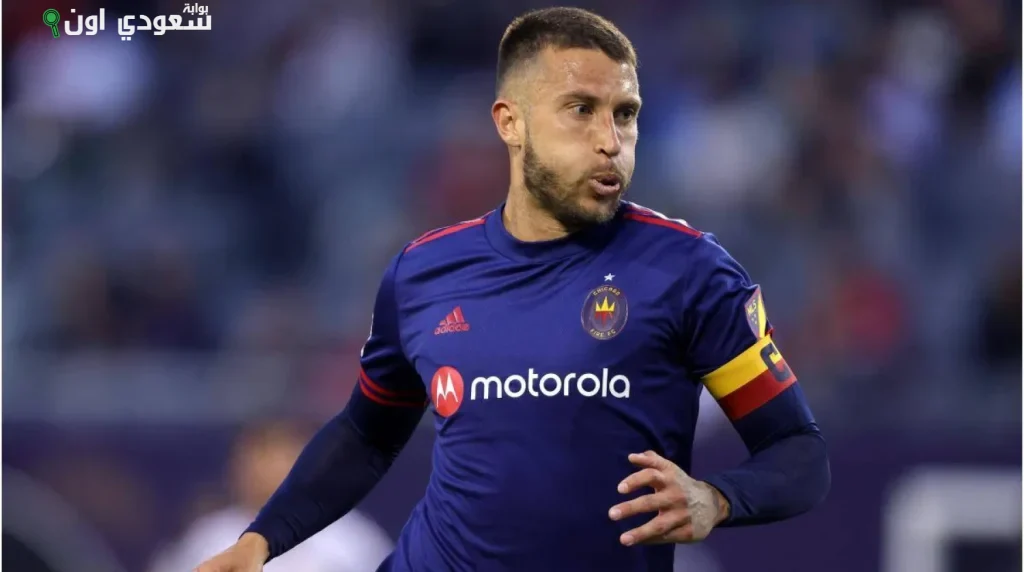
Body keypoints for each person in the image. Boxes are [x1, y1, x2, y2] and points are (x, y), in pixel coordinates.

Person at [195, 7, 830, 572]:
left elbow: (798, 452)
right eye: (581, 110)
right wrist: (261, 542)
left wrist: (717, 499)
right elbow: (366, 435)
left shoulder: (688, 271)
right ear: (511, 122)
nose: (611, 142)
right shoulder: (423, 273)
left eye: (625, 115)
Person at [156, 420, 391, 572]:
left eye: (279, 454)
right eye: (258, 455)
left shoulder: (352, 539)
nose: (267, 469)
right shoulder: (207, 538)